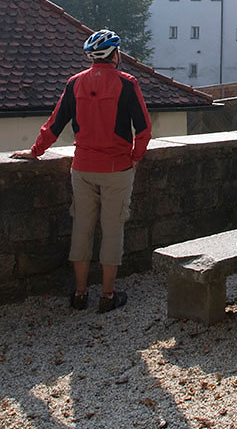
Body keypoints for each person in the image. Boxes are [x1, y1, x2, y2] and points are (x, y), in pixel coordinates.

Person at [11, 29, 151, 313]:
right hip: (117, 168)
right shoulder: (127, 83)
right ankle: (108, 296)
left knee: (81, 230)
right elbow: (144, 129)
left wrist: (34, 151)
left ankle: (80, 294)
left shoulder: (75, 83)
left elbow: (54, 123)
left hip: (82, 168)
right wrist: (135, 158)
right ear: (115, 54)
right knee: (112, 231)